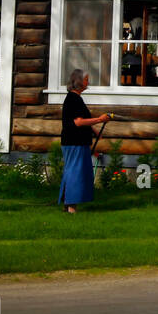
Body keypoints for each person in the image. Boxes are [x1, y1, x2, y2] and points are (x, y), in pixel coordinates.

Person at [59, 68, 111, 213]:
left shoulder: (75, 98)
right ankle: (71, 208)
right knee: (76, 173)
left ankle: (67, 204)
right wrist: (100, 119)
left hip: (75, 142)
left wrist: (94, 130)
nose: (88, 82)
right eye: (86, 79)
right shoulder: (73, 99)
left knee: (72, 171)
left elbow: (79, 121)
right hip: (74, 142)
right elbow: (78, 122)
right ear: (79, 81)